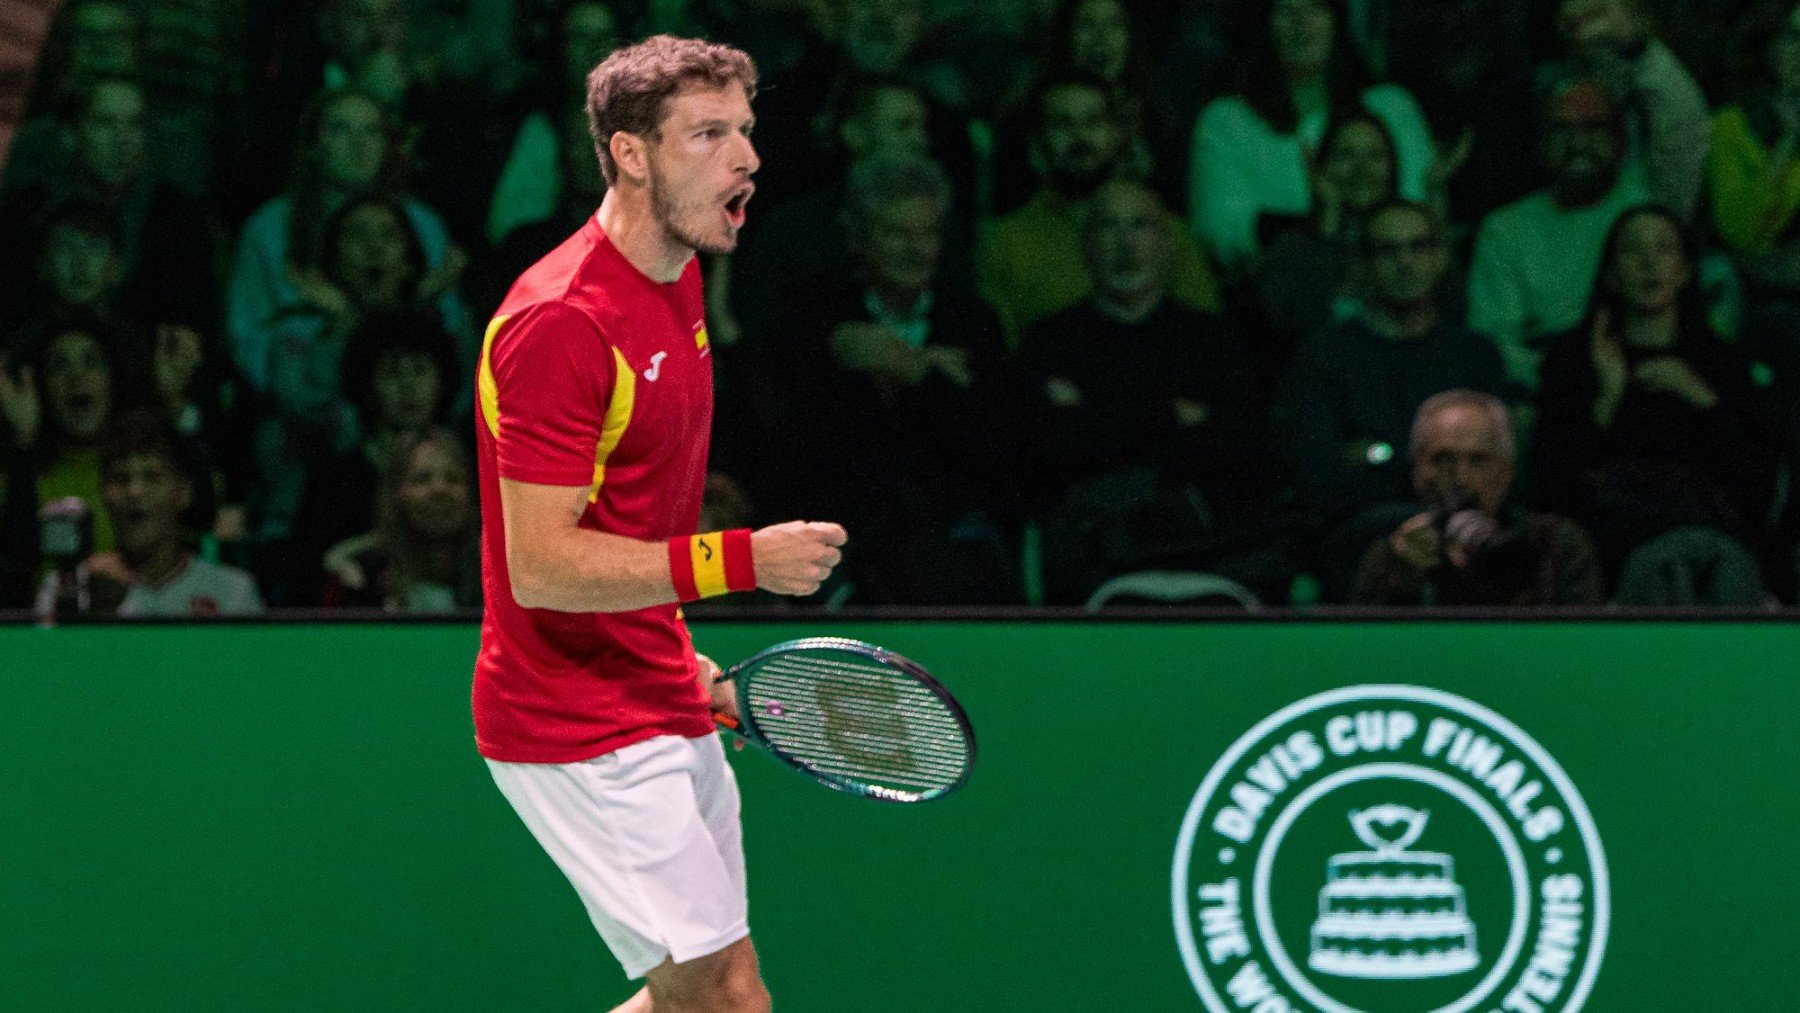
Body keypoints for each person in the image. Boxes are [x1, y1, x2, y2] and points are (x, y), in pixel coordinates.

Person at [475, 36, 845, 1013]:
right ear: (632, 153)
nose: (748, 159)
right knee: (727, 995)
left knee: (703, 993)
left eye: (748, 132)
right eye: (710, 134)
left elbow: (627, 515)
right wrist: (742, 561)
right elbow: (541, 565)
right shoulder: (561, 324)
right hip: (571, 714)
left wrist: (683, 664)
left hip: (650, 679)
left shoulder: (677, 274)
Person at [766, 152, 1017, 605]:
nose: (915, 249)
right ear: (858, 236)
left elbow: (995, 447)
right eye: (896, 232)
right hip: (844, 533)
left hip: (952, 533)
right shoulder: (816, 315)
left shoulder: (971, 322)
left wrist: (911, 370)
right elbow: (804, 440)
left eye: (927, 232)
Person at [1019, 178, 1281, 604]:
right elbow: (1049, 453)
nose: (1126, 243)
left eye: (1140, 226)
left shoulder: (1215, 339)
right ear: (1085, 244)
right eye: (1109, 226)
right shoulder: (1050, 341)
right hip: (1093, 554)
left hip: (1207, 549)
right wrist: (1170, 416)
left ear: (1166, 242)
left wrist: (1097, 417)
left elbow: (1243, 453)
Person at [1531, 205, 1780, 600]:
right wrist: (1607, 398)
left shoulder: (1721, 364)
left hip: (1714, 530)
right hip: (1613, 538)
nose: (1649, 263)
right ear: (1611, 273)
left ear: (1684, 270)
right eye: (1633, 250)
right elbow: (1550, 483)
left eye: (1663, 249)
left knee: (1719, 566)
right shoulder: (1574, 360)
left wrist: (1705, 400)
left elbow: (1758, 482)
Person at [1281, 200, 1508, 600]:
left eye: (1418, 247)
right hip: (1361, 537)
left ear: (1440, 258)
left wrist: (1375, 453)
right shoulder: (1325, 356)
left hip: (1470, 532)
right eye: (1388, 250)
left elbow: (1496, 470)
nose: (1405, 263)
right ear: (1362, 264)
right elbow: (1319, 482)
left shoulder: (1475, 355)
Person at [1187, 0, 1436, 271]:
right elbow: (1223, 235)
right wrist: (1318, 228)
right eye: (1286, 9)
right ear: (1264, 24)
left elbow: (1418, 211)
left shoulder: (1390, 107)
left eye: (1315, 6)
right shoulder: (1225, 121)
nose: (1301, 21)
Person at [977, 71, 1220, 347]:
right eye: (1062, 124)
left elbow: (1204, 341)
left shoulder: (1166, 231)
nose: (1080, 137)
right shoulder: (1005, 242)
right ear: (1037, 140)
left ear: (1116, 135)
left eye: (1093, 122)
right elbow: (1004, 355)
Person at [1351, 390, 1605, 605]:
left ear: (1506, 472)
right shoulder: (1395, 555)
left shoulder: (1554, 545)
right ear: (1417, 471)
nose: (1461, 478)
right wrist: (1402, 579)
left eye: (1478, 460)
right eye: (1442, 459)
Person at [33, 409, 262, 618]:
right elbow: (48, 662)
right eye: (121, 478)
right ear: (104, 494)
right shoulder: (66, 588)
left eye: (152, 476)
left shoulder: (233, 592)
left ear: (183, 491)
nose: (134, 492)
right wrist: (96, 614)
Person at [323, 427, 479, 611]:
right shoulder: (357, 578)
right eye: (422, 479)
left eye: (453, 479)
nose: (439, 490)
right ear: (394, 495)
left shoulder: (502, 577)